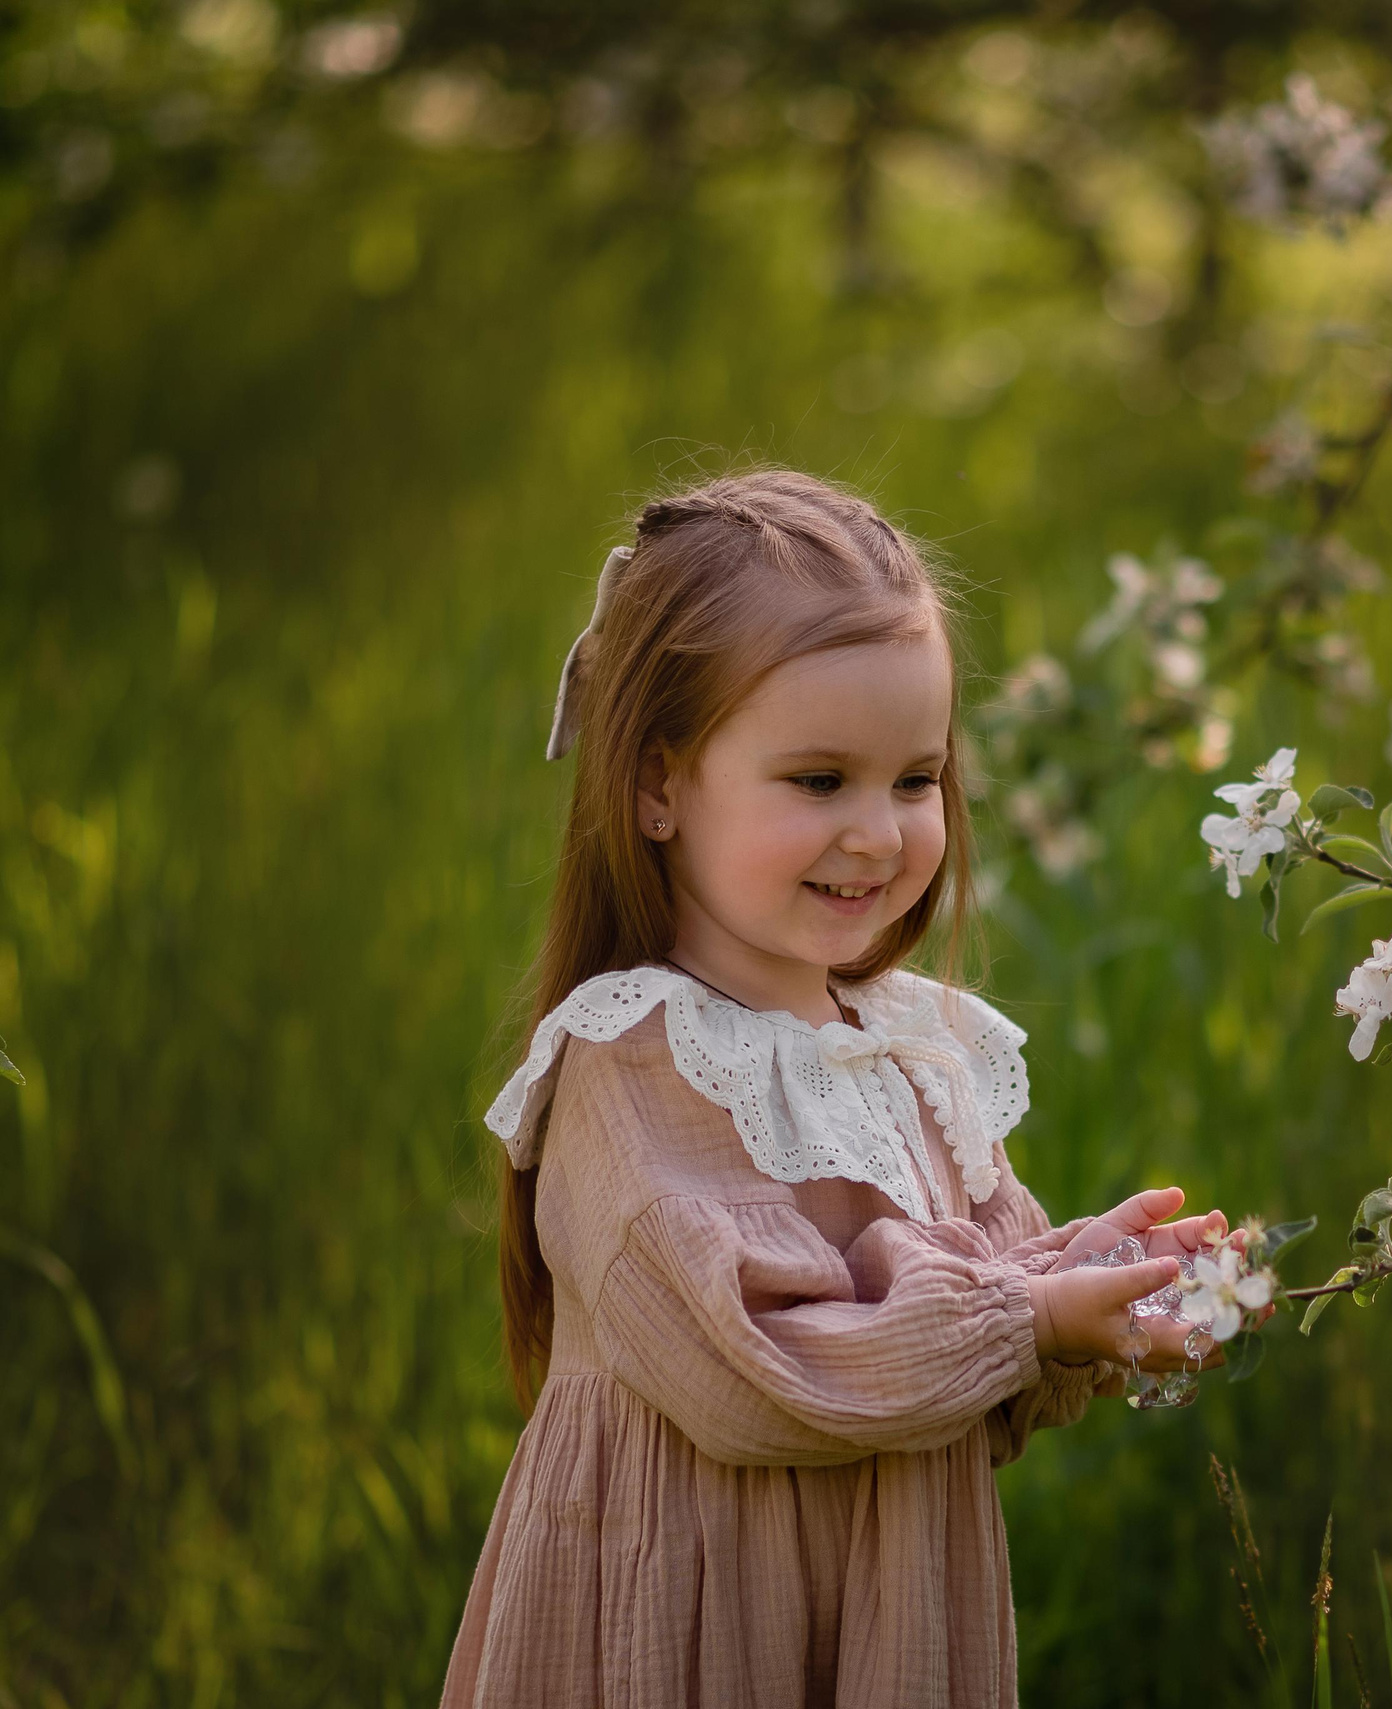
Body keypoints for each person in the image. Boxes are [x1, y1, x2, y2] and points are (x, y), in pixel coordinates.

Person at [440, 471, 1232, 1708]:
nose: (880, 832)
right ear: (657, 785)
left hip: (883, 1623)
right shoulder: (632, 1060)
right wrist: (1023, 1318)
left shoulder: (906, 1053)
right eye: (819, 781)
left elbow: (959, 1374)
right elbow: (760, 1375)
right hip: (701, 1626)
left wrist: (1086, 1284)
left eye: (914, 779)